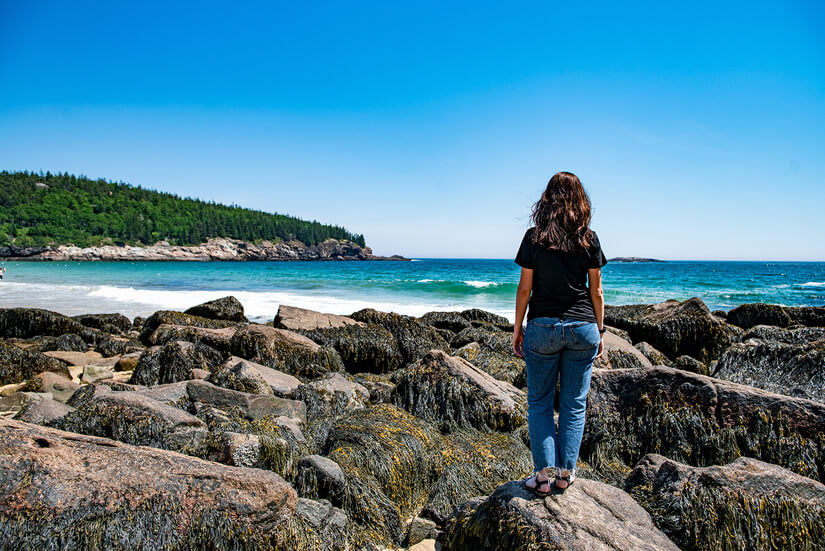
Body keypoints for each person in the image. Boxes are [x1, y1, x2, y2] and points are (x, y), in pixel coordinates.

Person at [512, 171, 607, 495]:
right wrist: (600, 331)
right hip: (583, 328)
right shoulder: (589, 239)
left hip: (542, 327)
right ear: (581, 201)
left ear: (547, 200)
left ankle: (542, 478)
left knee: (539, 403)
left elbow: (524, 290)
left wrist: (517, 329)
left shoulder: (534, 238)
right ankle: (565, 475)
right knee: (574, 404)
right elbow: (596, 292)